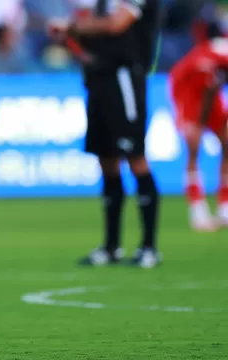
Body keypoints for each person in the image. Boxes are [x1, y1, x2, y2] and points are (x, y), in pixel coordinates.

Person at [48, 0, 162, 268]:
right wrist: (71, 36)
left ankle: (149, 247)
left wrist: (73, 26)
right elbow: (92, 33)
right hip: (98, 78)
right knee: (107, 160)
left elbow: (115, 24)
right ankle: (112, 246)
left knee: (135, 156)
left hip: (125, 78)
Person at [169, 23, 228, 231]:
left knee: (227, 147)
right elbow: (177, 80)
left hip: (212, 101)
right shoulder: (201, 57)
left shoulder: (212, 53)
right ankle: (198, 210)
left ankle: (224, 208)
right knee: (193, 153)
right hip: (191, 100)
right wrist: (184, 114)